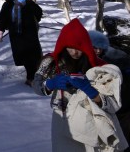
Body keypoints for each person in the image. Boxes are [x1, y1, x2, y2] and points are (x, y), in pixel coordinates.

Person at [33, 18, 127, 152]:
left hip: (90, 121)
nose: (74, 53)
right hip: (62, 120)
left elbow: (113, 103)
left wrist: (92, 91)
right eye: (70, 48)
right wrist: (49, 84)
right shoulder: (51, 62)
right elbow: (36, 85)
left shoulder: (99, 66)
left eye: (78, 48)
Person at [89, 30, 130, 147]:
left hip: (122, 102)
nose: (97, 50)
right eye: (94, 47)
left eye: (99, 48)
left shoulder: (115, 59)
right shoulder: (86, 62)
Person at [0, 0, 44, 86]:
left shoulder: (28, 2)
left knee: (33, 55)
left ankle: (31, 77)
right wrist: (0, 30)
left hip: (30, 33)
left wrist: (35, 20)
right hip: (17, 35)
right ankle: (31, 75)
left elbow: (39, 11)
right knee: (24, 56)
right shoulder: (8, 4)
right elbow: (3, 18)